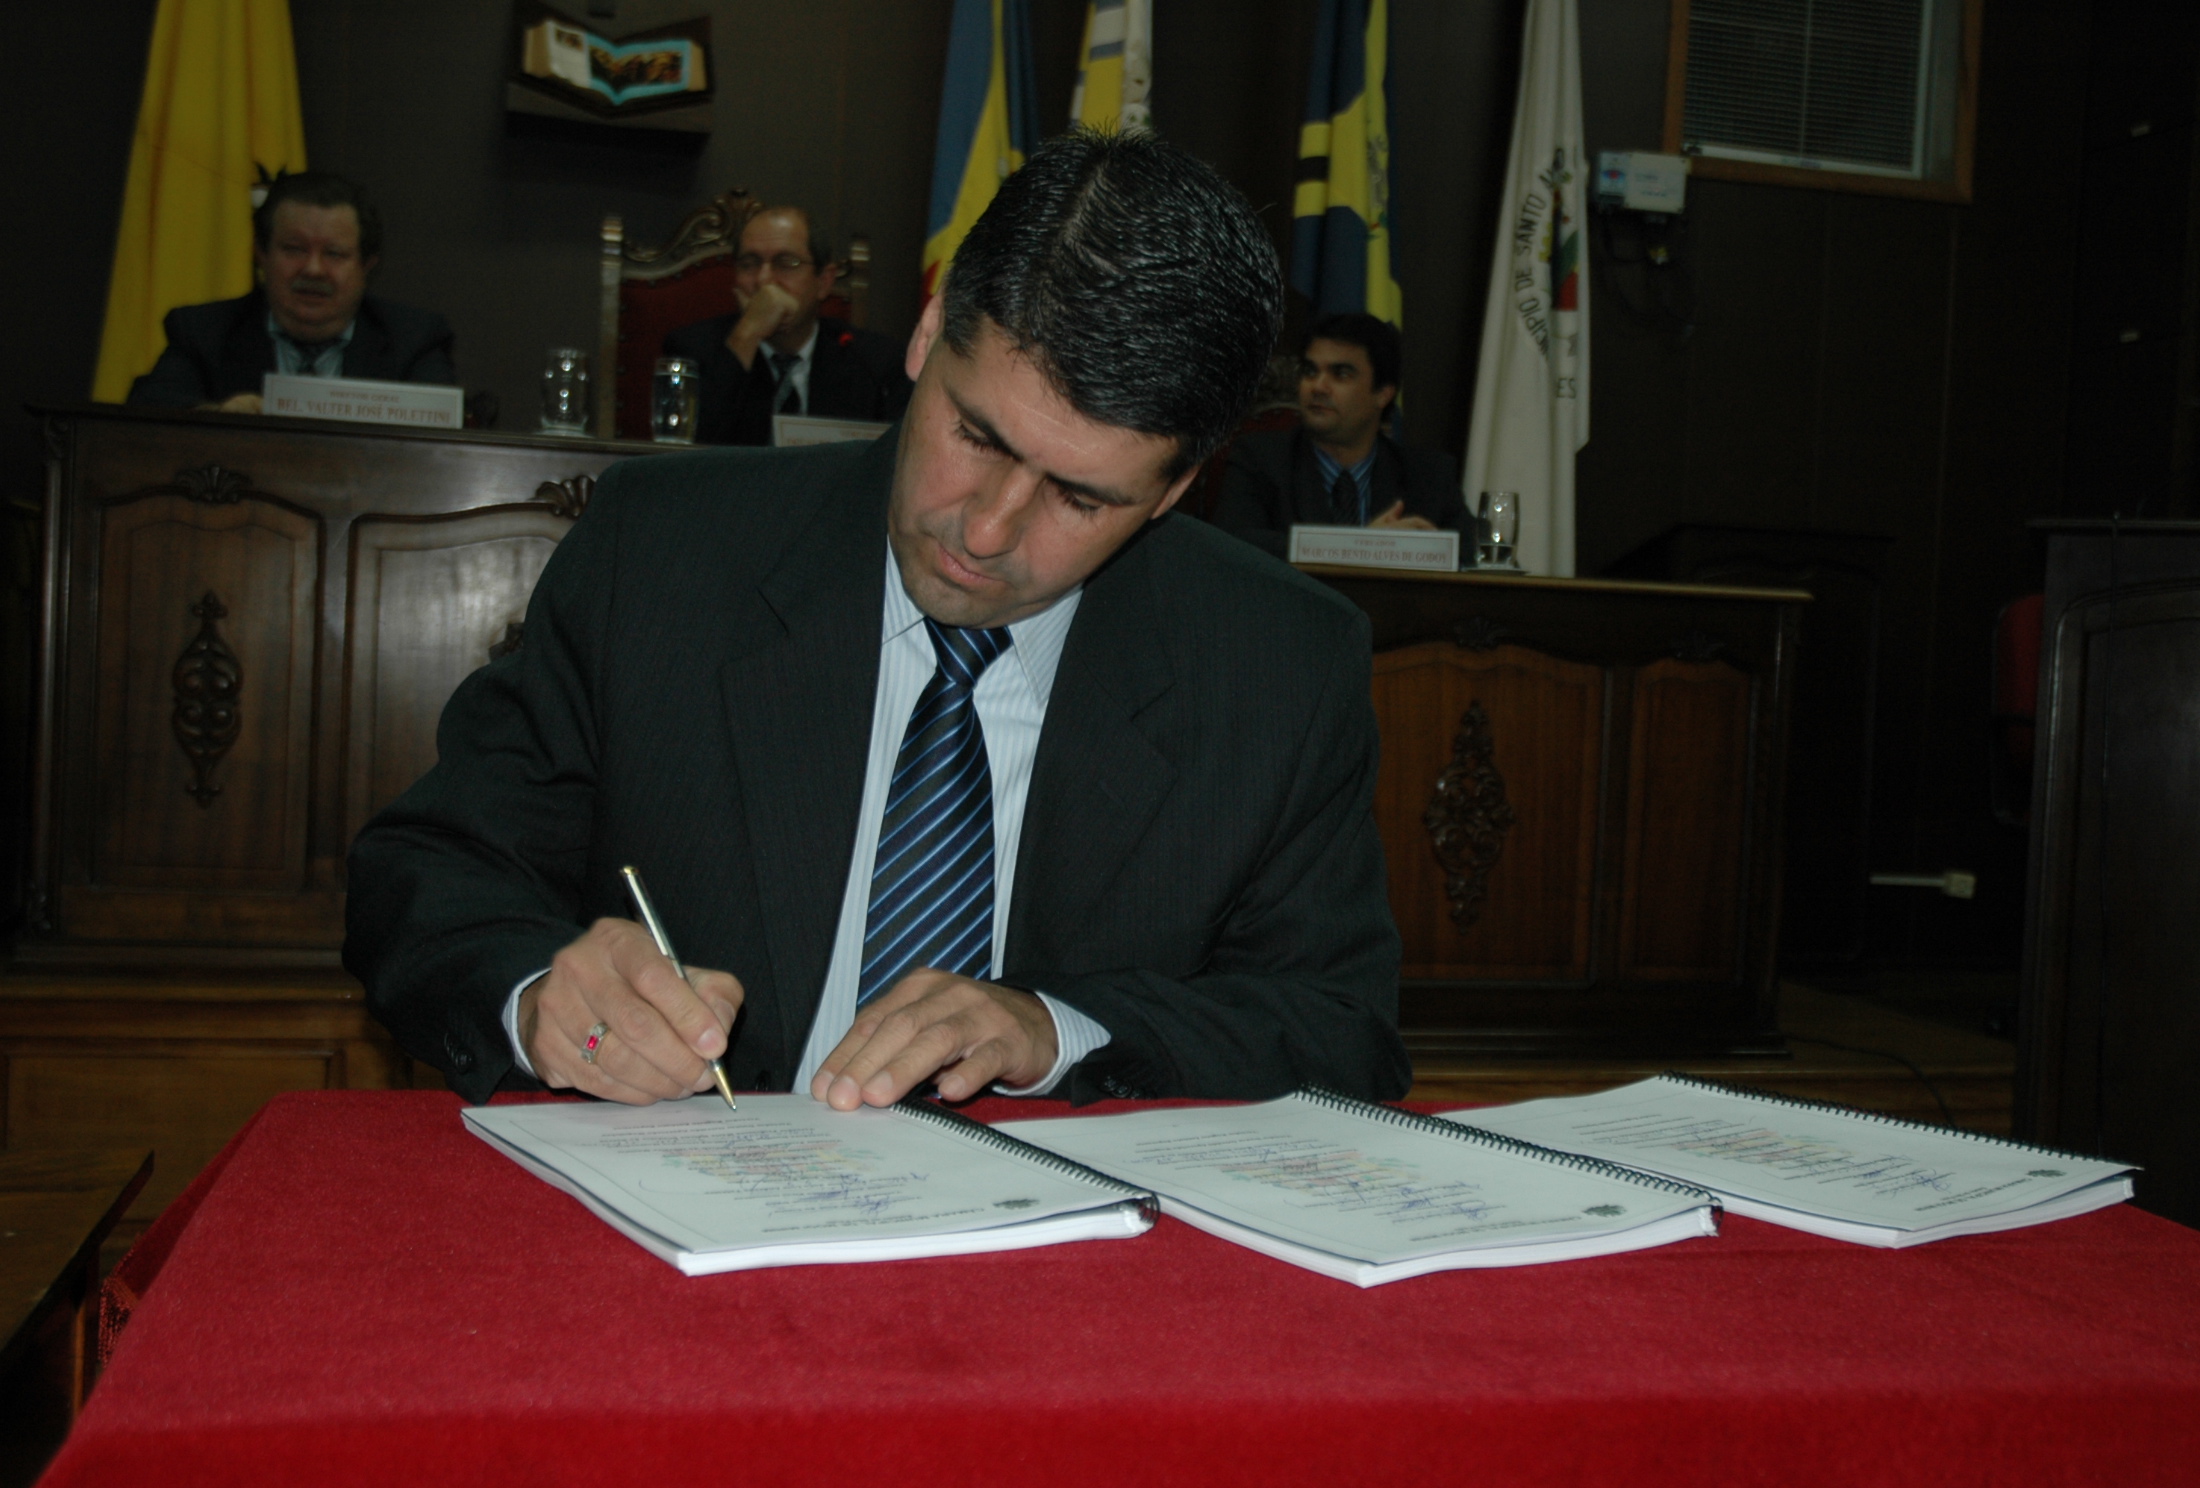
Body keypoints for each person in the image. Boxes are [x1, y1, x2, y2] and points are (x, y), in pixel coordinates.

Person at [344, 130, 1409, 1112]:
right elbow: (423, 876)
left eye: (1080, 498)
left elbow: (1338, 1029)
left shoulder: (1278, 663)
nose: (988, 528)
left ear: (1175, 488)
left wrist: (1056, 1031)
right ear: (930, 332)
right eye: (977, 436)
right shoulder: (662, 556)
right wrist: (538, 995)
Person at [126, 172, 456, 412]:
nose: (313, 270)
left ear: (366, 265)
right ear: (261, 254)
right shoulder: (204, 332)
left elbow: (447, 437)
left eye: (334, 254)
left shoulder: (412, 340)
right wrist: (216, 417)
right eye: (294, 249)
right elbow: (147, 411)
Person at [1209, 312, 1472, 558]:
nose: (1318, 387)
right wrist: (1366, 545)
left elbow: (1471, 552)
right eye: (1310, 371)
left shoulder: (1428, 476)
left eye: (1341, 374)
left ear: (1383, 394)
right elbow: (1234, 544)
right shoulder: (1260, 459)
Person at [662, 205, 913, 445]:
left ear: (824, 281)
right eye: (749, 264)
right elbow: (689, 454)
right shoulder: (691, 350)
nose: (764, 281)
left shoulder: (875, 362)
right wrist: (747, 333)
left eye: (786, 263)